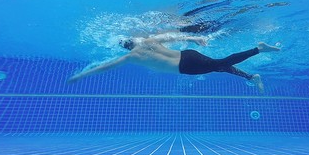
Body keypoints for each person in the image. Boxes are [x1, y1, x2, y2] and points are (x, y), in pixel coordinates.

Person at [68, 33, 280, 92]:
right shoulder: (149, 41)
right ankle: (251, 77)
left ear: (126, 47)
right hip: (188, 55)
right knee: (220, 67)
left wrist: (81, 75)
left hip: (185, 67)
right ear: (134, 40)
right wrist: (194, 38)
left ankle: (258, 48)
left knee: (220, 64)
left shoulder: (131, 57)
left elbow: (105, 66)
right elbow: (171, 36)